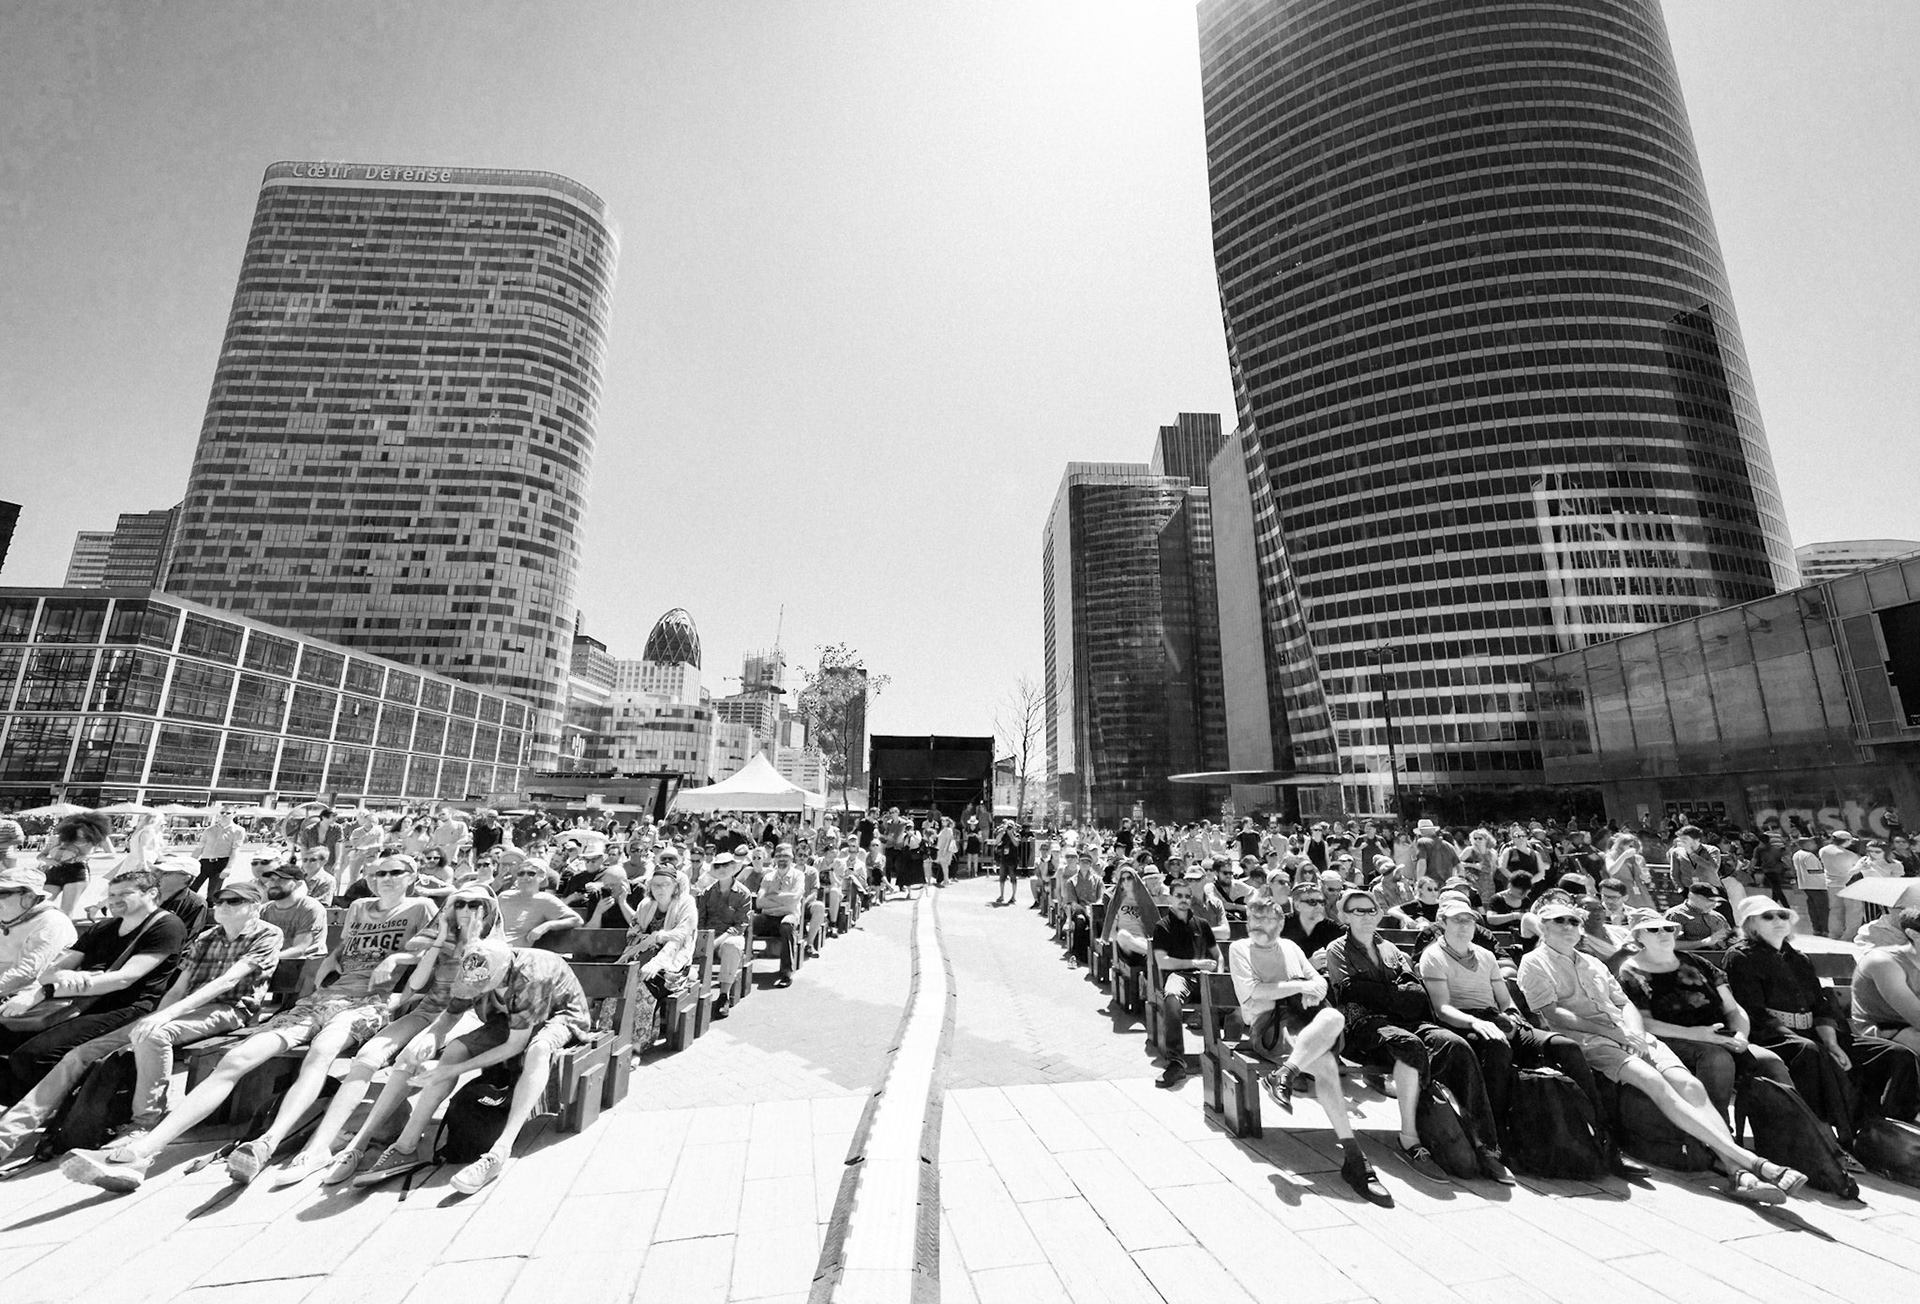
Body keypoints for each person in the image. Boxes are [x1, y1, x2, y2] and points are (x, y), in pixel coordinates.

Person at [60, 855, 437, 1191]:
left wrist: (398, 970)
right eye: (379, 873)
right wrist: (331, 958)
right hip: (319, 999)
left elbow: (433, 951)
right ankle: (144, 1151)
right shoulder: (358, 906)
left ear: (412, 876)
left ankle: (269, 1142)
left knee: (320, 1053)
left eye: (395, 872)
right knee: (235, 1059)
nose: (385, 878)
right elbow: (350, 944)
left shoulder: (421, 907)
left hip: (369, 1003)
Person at [1517, 898, 1803, 1203]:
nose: (1568, 927)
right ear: (1543, 927)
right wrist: (1614, 1033)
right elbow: (1552, 1013)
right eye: (1559, 921)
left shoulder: (1592, 962)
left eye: (1573, 921)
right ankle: (1753, 1163)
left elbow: (1624, 1004)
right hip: (1590, 1041)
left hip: (1631, 1035)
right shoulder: (1534, 962)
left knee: (1691, 1086)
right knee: (1657, 1084)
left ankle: (1736, 1171)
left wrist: (1634, 1032)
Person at [0, 879, 280, 1164]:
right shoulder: (208, 937)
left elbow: (227, 981)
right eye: (219, 901)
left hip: (228, 1008)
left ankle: (144, 1123)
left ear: (254, 906)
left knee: (153, 1035)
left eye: (234, 901)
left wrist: (163, 1017)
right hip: (184, 1008)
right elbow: (178, 988)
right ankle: (7, 1135)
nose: (222, 906)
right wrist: (158, 1014)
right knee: (79, 1054)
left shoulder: (267, 934)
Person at [273, 884, 493, 1186]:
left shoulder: (491, 946)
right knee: (367, 1055)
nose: (466, 910)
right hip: (428, 1009)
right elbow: (416, 984)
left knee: (411, 1059)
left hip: (464, 1014)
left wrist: (471, 940)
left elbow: (466, 999)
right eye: (460, 904)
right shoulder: (443, 939)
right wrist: (439, 940)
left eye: (475, 904)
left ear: (488, 909)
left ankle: (358, 1144)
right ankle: (318, 1148)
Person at [1420, 898, 1645, 1177]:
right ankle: (1497, 1142)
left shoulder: (1485, 955)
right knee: (1498, 1049)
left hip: (1494, 1018)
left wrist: (1513, 1017)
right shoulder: (1433, 956)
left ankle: (1606, 1143)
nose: (1464, 925)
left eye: (1469, 919)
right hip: (1462, 1022)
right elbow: (1442, 1009)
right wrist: (1477, 1023)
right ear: (1442, 922)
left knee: (1565, 1047)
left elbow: (1505, 1001)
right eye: (1457, 919)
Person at [352, 936, 590, 1194]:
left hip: (561, 1016)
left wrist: (450, 1071)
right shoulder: (474, 966)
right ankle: (405, 1147)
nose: (477, 990)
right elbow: (451, 1014)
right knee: (455, 1048)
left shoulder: (530, 977)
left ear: (502, 972)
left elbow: (515, 1045)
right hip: (513, 1020)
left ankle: (500, 1150)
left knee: (538, 1049)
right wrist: (433, 1036)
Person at [1322, 888, 1509, 1184]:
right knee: (1408, 1046)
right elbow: (1350, 991)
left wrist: (1381, 992)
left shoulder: (1391, 949)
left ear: (1379, 914)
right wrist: (1395, 993)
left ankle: (1484, 1143)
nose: (1366, 916)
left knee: (1455, 1045)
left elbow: (1417, 993)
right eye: (1358, 910)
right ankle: (1409, 1139)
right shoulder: (1336, 949)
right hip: (1365, 1029)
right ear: (1344, 916)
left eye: (1371, 910)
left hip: (1406, 1021)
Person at [1230, 890, 1390, 1205]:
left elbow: (1320, 982)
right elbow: (1253, 993)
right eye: (1255, 918)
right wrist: (1300, 986)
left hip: (1308, 1025)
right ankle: (1355, 1158)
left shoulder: (1290, 947)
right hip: (1270, 1027)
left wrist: (1310, 987)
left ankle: (1285, 1074)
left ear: (1280, 923)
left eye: (1268, 918)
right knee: (1326, 1064)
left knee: (1334, 1016)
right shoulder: (1240, 949)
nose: (1260, 924)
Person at [1723, 895, 1919, 1144]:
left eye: (1783, 915)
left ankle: (1887, 1130)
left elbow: (1820, 1004)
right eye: (1767, 917)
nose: (1778, 921)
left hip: (1814, 1032)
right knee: (1812, 1053)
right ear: (1751, 924)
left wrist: (1833, 1043)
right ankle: (1843, 1132)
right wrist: (1805, 1039)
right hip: (1772, 1036)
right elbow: (1753, 1011)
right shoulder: (1740, 957)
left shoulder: (1798, 959)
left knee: (1895, 1054)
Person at [0, 869, 186, 1107]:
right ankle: (20, 1106)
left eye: (125, 893)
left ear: (150, 894)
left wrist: (48, 990)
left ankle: (47, 1111)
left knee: (33, 1056)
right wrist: (63, 975)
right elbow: (49, 972)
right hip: (76, 1002)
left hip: (125, 1007)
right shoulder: (104, 927)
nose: (115, 899)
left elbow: (124, 979)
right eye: (112, 894)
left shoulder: (166, 926)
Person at [1616, 908, 1794, 1119]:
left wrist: (1741, 1035)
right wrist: (1696, 1034)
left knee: (1770, 1062)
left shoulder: (1696, 962)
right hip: (1672, 1039)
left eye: (1668, 928)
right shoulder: (1630, 972)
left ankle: (1788, 1130)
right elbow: (1644, 1022)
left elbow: (1733, 1009)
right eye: (1653, 929)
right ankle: (1716, 1127)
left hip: (1719, 1035)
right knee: (1717, 1059)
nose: (1663, 933)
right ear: (1638, 936)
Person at [1149, 876, 1220, 1087]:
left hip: (1206, 977)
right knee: (1171, 997)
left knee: (1238, 995)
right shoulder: (1162, 927)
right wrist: (1196, 963)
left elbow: (1218, 955)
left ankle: (1228, 1055)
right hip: (1180, 976)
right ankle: (1176, 1062)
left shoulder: (1202, 925)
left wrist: (1219, 976)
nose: (1183, 900)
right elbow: (1163, 962)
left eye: (1187, 896)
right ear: (1170, 898)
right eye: (1178, 896)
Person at [619, 865, 698, 1049]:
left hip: (674, 964)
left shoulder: (686, 903)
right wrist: (649, 940)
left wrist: (657, 943)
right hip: (642, 957)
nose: (660, 889)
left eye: (666, 884)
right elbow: (633, 932)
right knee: (619, 984)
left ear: (675, 886)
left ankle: (639, 1044)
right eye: (655, 885)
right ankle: (614, 1037)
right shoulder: (645, 905)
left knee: (644, 986)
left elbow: (681, 936)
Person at [0, 867, 78, 1003]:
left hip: (26, 996)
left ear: (29, 895)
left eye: (2, 894)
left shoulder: (52, 922)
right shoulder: (10, 914)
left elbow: (25, 973)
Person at [255, 858, 330, 993]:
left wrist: (265, 959)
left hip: (304, 968)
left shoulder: (310, 908)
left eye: (281, 880)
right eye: (271, 880)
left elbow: (300, 949)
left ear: (298, 884)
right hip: (274, 964)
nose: (274, 884)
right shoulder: (264, 910)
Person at [1853, 908, 1920, 1054]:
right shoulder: (1884, 962)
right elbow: (1916, 1017)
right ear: (1913, 934)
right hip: (1881, 1032)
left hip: (1908, 1028)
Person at [696, 853, 752, 1016]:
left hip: (728, 937)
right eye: (718, 866)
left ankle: (723, 995)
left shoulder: (743, 893)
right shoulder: (707, 892)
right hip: (707, 937)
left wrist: (715, 942)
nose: (722, 869)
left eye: (726, 865)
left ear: (734, 867)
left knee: (732, 945)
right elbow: (700, 920)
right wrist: (703, 940)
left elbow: (740, 926)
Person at [39, 811, 113, 918]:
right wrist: (48, 860)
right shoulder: (65, 837)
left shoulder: (99, 837)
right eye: (78, 831)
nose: (81, 834)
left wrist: (90, 856)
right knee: (41, 905)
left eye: (85, 832)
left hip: (77, 872)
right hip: (56, 870)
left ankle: (65, 928)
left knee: (66, 911)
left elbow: (111, 854)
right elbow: (41, 855)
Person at [497, 858, 583, 947]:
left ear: (542, 877)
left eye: (531, 873)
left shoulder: (546, 900)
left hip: (514, 951)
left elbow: (577, 920)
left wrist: (547, 925)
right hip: (493, 944)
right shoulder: (504, 897)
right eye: (521, 874)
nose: (525, 877)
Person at [753, 844, 805, 989]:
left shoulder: (798, 875)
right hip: (768, 918)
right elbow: (759, 902)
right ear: (774, 858)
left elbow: (794, 899)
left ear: (792, 858)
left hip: (789, 915)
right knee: (747, 922)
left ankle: (786, 972)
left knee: (787, 926)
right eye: (779, 856)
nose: (782, 859)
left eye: (786, 856)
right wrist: (783, 900)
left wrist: (771, 896)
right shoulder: (768, 877)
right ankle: (740, 967)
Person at [191, 806, 244, 898]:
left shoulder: (238, 831)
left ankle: (210, 906)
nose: (224, 815)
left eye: (228, 813)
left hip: (221, 863)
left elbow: (235, 850)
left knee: (213, 893)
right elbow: (199, 847)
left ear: (234, 815)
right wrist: (190, 862)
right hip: (205, 862)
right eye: (222, 813)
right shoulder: (209, 830)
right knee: (191, 888)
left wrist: (228, 868)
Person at [1664, 882, 1734, 953]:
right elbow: (1669, 944)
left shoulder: (1718, 917)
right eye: (1711, 900)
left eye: (1717, 902)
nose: (1714, 905)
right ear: (1693, 897)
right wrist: (1705, 942)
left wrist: (1732, 941)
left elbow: (1730, 939)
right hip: (1689, 958)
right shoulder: (1676, 915)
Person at [1819, 830, 1863, 941]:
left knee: (1835, 910)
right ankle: (1849, 936)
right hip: (1848, 884)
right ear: (1846, 841)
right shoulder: (1850, 855)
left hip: (1831, 884)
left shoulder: (1823, 851)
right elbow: (1857, 867)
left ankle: (1834, 934)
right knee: (1854, 911)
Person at [1279, 883, 1341, 958]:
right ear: (1297, 906)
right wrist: (1308, 963)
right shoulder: (1281, 924)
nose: (1319, 906)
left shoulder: (1331, 928)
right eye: (1312, 902)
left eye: (1322, 902)